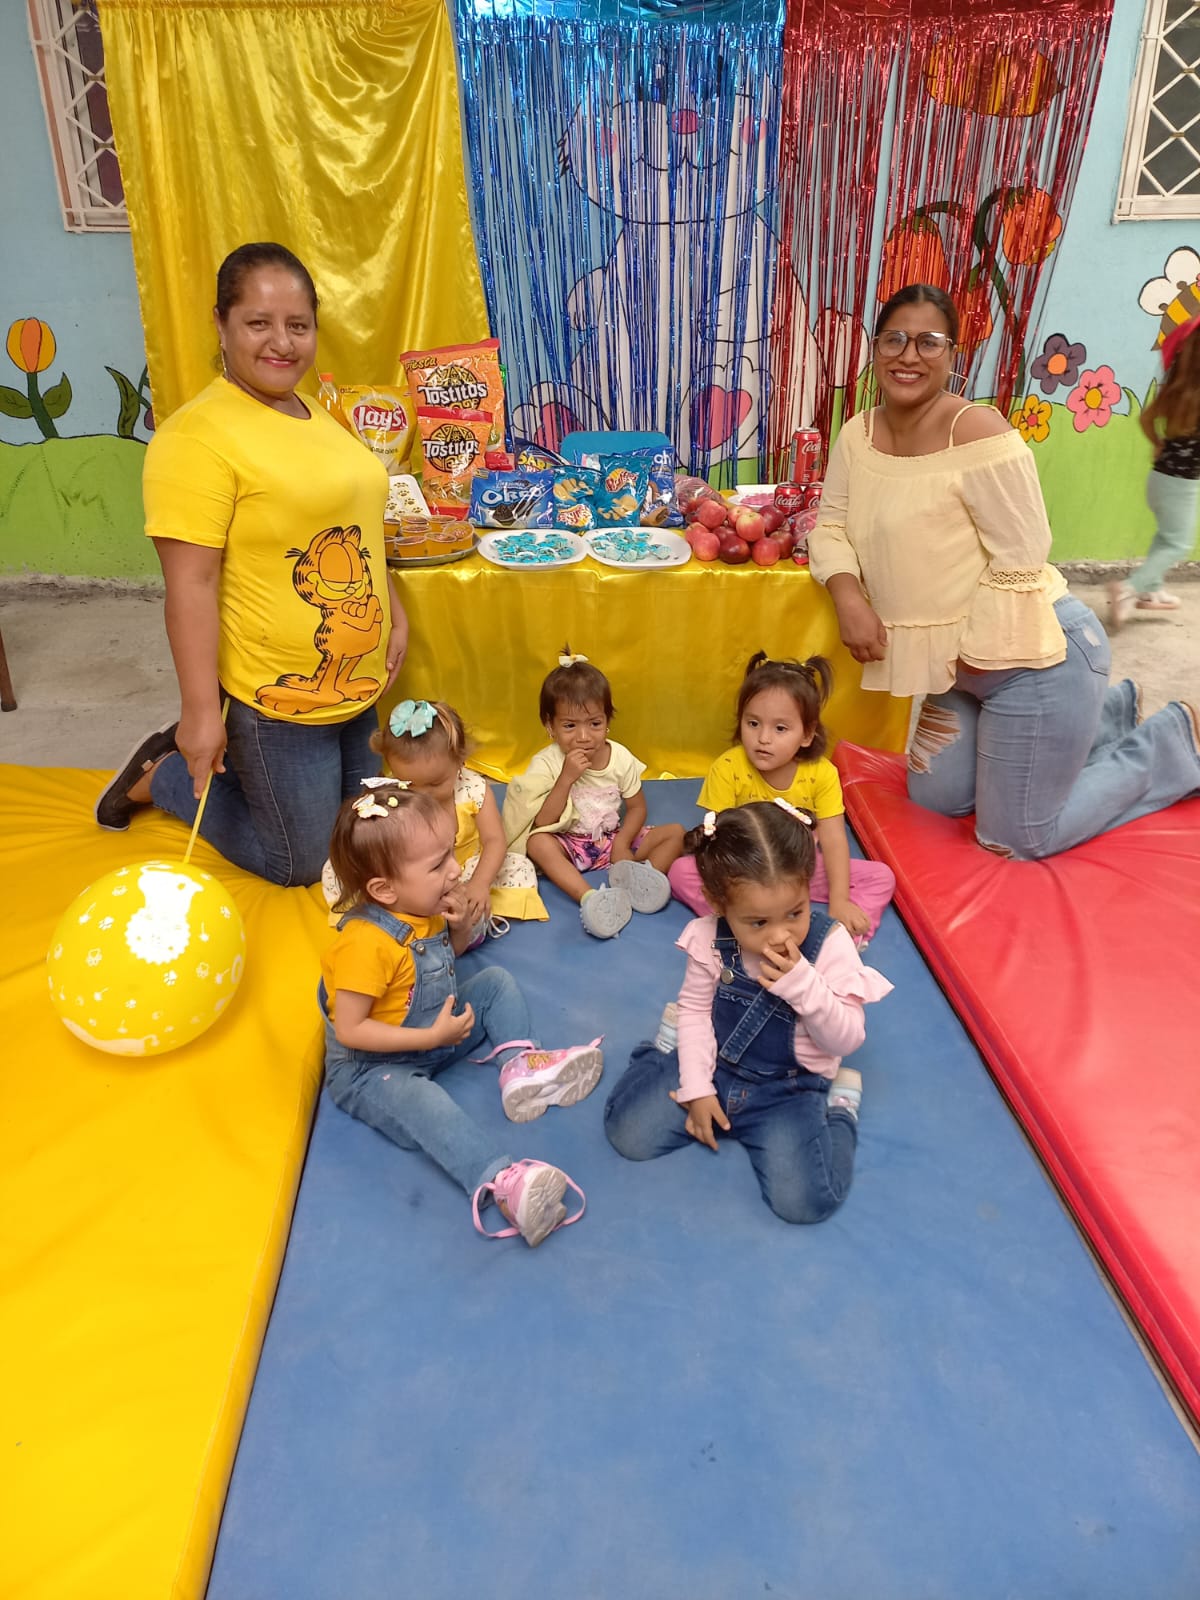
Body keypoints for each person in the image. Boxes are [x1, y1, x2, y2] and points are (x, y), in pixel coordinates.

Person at [809, 282, 1200, 860]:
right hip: (955, 670)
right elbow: (831, 526)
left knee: (1015, 838)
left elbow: (1022, 557)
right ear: (876, 348)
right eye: (894, 339)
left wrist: (965, 656)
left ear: (952, 354)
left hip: (1031, 659)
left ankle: (1172, 742)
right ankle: (1108, 714)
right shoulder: (857, 435)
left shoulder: (980, 432)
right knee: (935, 800)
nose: (908, 355)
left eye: (928, 342)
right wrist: (849, 596)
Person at [95, 241, 410, 886]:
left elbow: (355, 528)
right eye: (258, 323)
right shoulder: (196, 437)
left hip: (353, 682)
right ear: (221, 323)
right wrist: (198, 713)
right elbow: (191, 583)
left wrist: (394, 612)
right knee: (302, 863)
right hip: (273, 700)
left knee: (366, 836)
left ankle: (245, 773)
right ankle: (167, 777)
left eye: (298, 325)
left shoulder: (314, 413)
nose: (282, 343)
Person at [320, 780, 601, 1247]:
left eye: (451, 853)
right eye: (438, 865)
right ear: (383, 889)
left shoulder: (424, 904)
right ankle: (501, 1183)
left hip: (434, 1031)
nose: (455, 871)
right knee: (425, 1104)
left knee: (494, 983)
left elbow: (437, 966)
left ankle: (520, 1067)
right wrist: (428, 1039)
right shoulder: (364, 945)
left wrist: (462, 929)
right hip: (373, 1067)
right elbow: (350, 1029)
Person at [605, 801, 891, 1224]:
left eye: (794, 913)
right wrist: (697, 1088)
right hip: (716, 1066)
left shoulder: (829, 946)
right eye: (758, 922)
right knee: (627, 1134)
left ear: (806, 885)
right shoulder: (709, 937)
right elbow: (696, 1012)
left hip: (788, 1090)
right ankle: (662, 1050)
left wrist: (804, 985)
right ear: (718, 905)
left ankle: (841, 1110)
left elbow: (846, 1039)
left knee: (805, 1204)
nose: (780, 934)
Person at [667, 651, 895, 944]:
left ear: (807, 734)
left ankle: (843, 940)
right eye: (753, 723)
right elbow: (719, 842)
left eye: (780, 728)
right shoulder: (728, 767)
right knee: (681, 871)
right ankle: (738, 927)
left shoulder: (822, 773)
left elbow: (834, 839)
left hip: (798, 872)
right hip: (745, 875)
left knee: (881, 876)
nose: (764, 738)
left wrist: (839, 901)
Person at [322, 697, 546, 945]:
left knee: (518, 868)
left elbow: (495, 841)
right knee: (339, 872)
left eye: (435, 783)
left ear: (460, 761)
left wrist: (479, 884)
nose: (422, 794)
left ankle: (467, 920)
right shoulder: (393, 793)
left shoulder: (473, 790)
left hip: (461, 872)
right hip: (415, 878)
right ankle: (401, 918)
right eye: (409, 784)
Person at [502, 650, 685, 939]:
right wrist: (566, 778)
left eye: (594, 724)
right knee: (537, 843)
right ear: (550, 726)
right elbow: (541, 822)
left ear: (607, 721)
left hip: (611, 839)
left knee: (676, 832)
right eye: (570, 726)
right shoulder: (547, 763)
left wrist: (622, 844)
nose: (584, 736)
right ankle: (591, 898)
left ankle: (637, 883)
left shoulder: (620, 758)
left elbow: (637, 808)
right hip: (570, 844)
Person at [1110, 314, 1200, 627]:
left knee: (1166, 536)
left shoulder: (1177, 392)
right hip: (1181, 487)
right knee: (1178, 544)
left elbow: (1145, 419)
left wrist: (1158, 443)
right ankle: (1129, 589)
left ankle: (1152, 588)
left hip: (1159, 480)